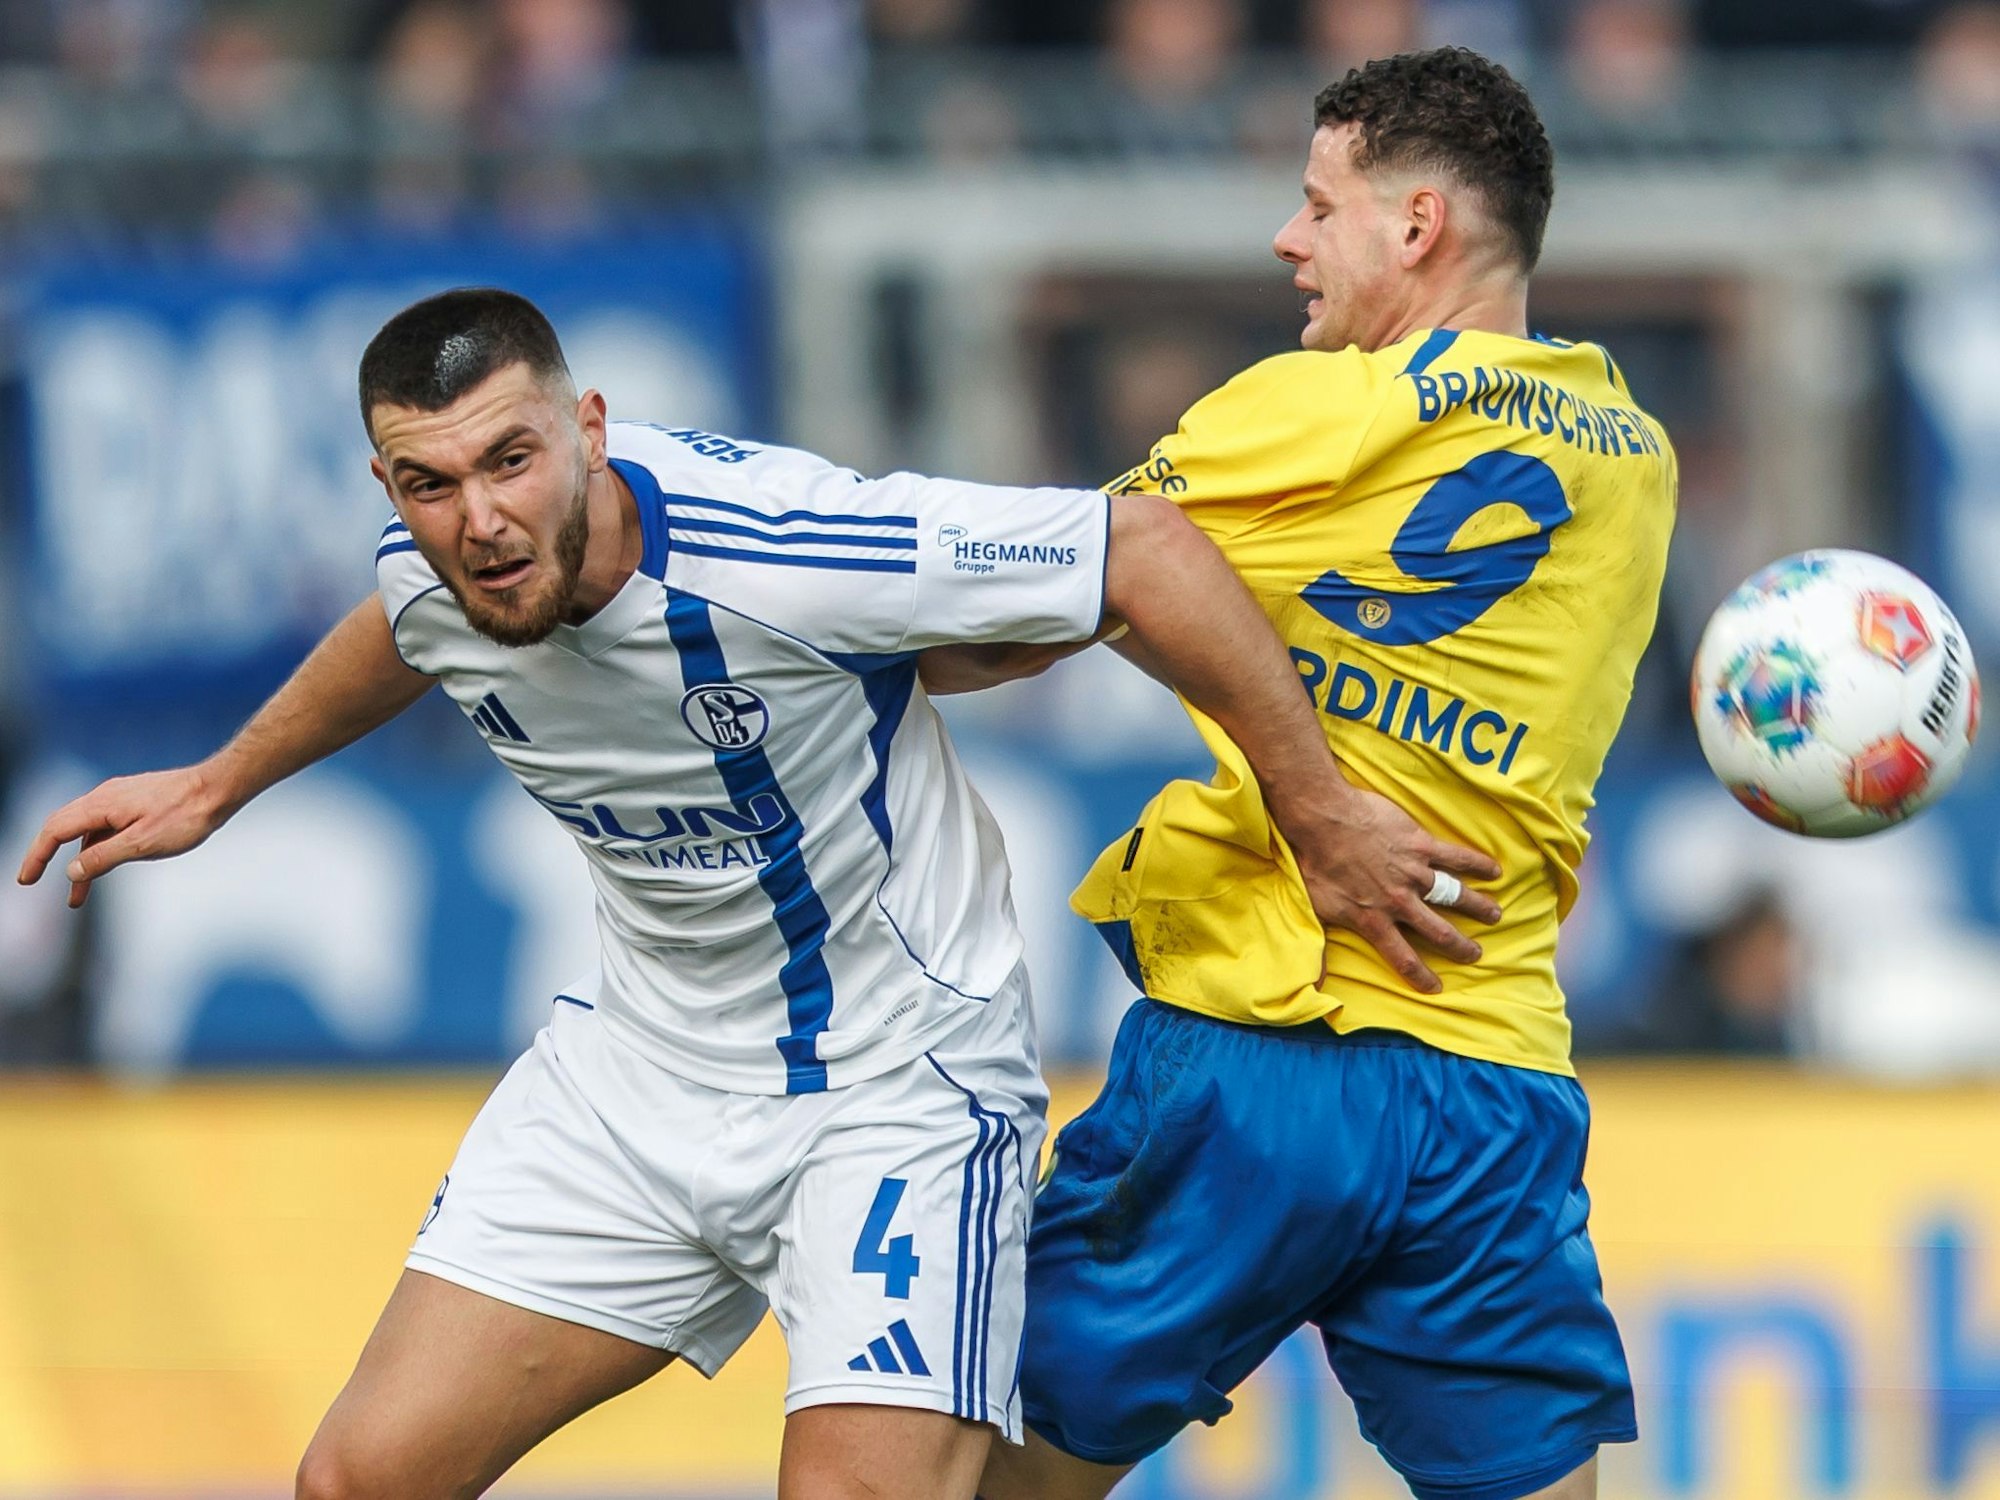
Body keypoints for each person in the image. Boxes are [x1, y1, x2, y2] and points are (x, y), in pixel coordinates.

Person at [14, 288, 1497, 1499]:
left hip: (894, 1093)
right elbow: (401, 624)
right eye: (430, 484)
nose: (479, 520)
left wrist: (1317, 813)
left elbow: (1147, 551)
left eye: (513, 461)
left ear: (591, 430)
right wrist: (219, 782)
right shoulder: (435, 561)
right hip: (636, 1078)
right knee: (357, 1481)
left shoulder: (791, 547)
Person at [930, 48, 1677, 1500]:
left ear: (1417, 225)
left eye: (1320, 206)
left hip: (1267, 1055)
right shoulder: (1634, 456)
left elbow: (1010, 620)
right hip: (1491, 1073)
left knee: (994, 1479)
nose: (1289, 238)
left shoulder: (1311, 413)